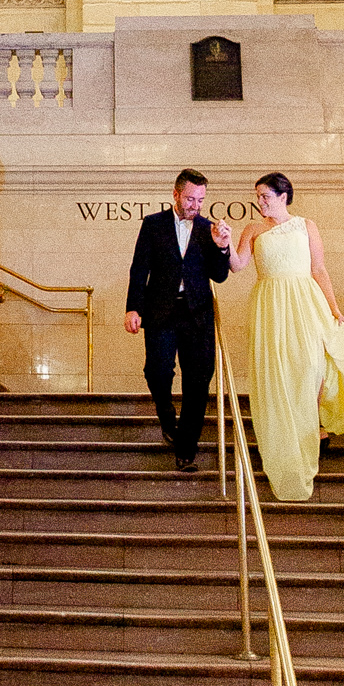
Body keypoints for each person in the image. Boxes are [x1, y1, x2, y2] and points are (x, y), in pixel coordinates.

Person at [222, 172, 344, 503]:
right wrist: (225, 242)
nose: (260, 202)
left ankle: (310, 426)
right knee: (277, 370)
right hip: (269, 304)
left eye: (265, 196)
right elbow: (238, 265)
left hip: (305, 300)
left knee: (313, 365)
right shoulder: (253, 229)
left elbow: (319, 269)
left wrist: (334, 307)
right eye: (257, 197)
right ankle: (285, 436)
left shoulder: (306, 226)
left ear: (283, 196)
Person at [125, 169, 232, 473]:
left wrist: (222, 247)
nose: (195, 205)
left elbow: (219, 276)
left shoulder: (209, 228)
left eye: (200, 200)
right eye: (190, 199)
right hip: (160, 310)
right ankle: (166, 415)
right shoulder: (153, 224)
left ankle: (186, 450)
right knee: (157, 371)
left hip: (197, 314)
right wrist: (133, 308)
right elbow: (139, 268)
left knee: (198, 380)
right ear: (175, 194)